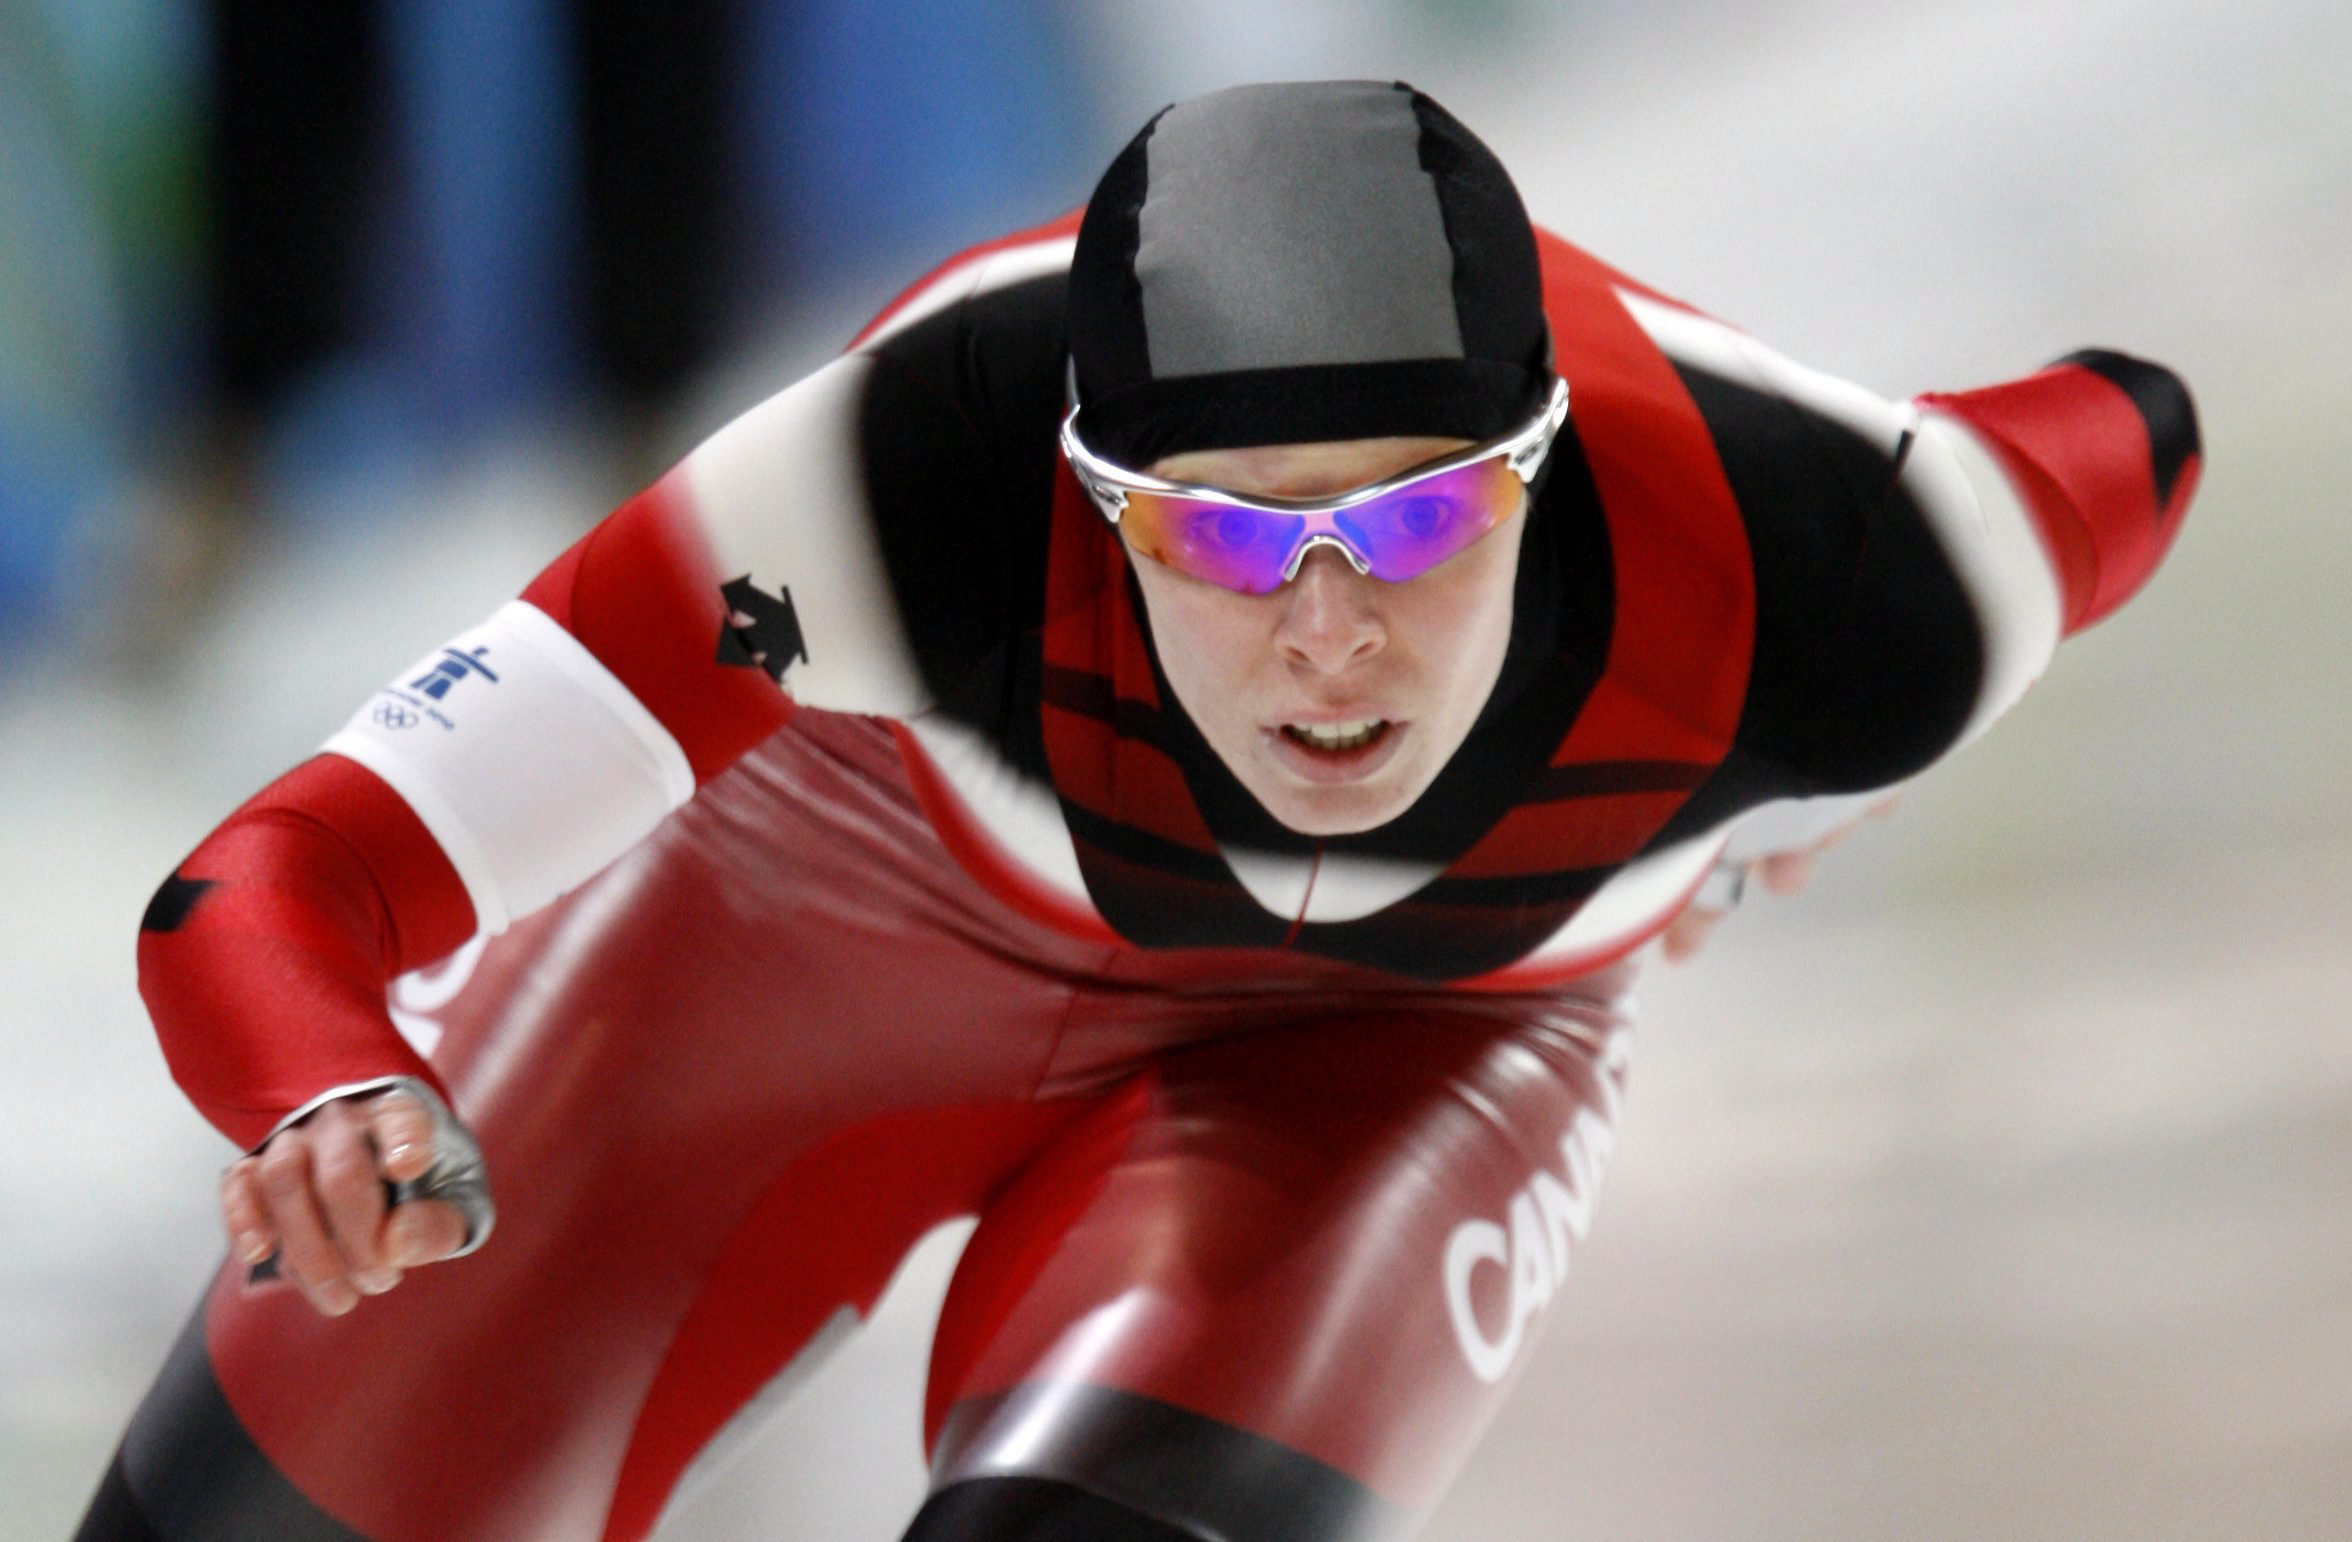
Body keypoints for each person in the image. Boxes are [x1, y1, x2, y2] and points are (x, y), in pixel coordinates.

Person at [77, 80, 2200, 1542]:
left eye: (1421, 517)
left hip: (1396, 1052)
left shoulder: (1864, 570)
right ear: (1088, 497)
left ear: (1545, 470)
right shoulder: (890, 480)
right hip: (824, 908)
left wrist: (1847, 761)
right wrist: (326, 1088)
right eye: (1224, 539)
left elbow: (2141, 434)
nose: (1330, 637)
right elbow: (284, 874)